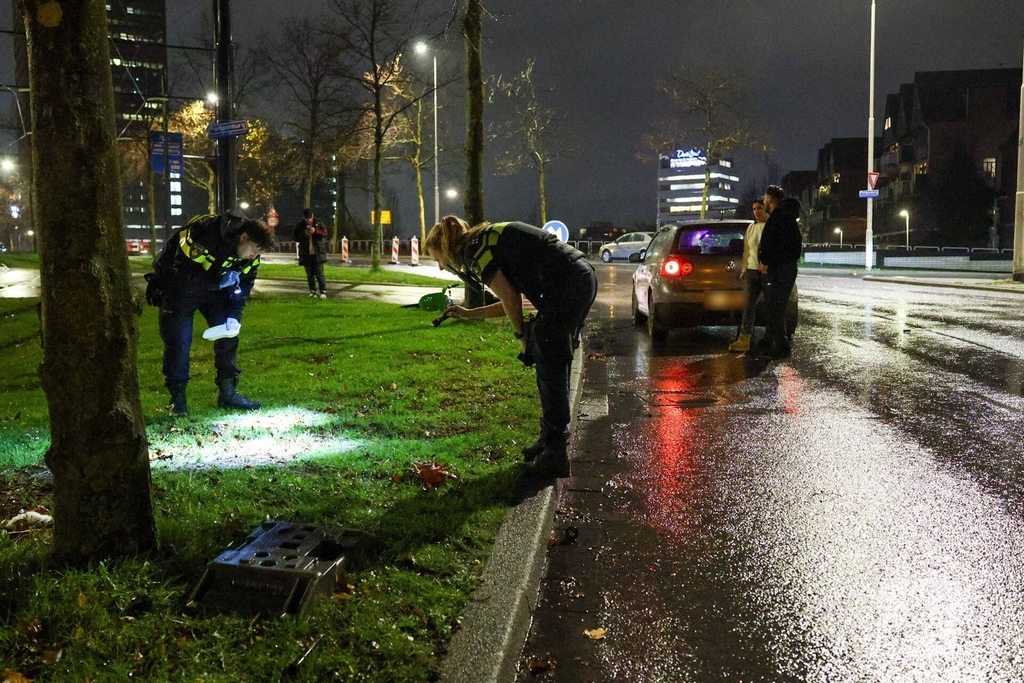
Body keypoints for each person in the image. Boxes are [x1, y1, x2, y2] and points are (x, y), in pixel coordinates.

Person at [425, 216, 598, 479]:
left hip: (568, 284)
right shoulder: (483, 241)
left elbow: (510, 298)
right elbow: (511, 300)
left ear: (446, 248)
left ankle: (555, 453)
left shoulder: (475, 252)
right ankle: (549, 440)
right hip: (580, 278)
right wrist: (469, 314)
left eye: (437, 258)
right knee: (554, 359)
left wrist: (522, 337)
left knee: (548, 362)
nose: (440, 267)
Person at [150, 210, 277, 416]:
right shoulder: (204, 234)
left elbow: (244, 287)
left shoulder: (251, 258)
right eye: (255, 249)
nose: (255, 255)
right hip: (178, 291)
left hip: (215, 291)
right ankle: (177, 399)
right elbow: (179, 277)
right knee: (179, 342)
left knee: (228, 336)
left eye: (260, 252)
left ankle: (228, 393)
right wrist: (217, 283)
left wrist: (233, 317)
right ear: (244, 237)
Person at [753, 185, 802, 359]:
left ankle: (778, 346)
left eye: (766, 198)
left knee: (775, 308)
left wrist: (766, 261)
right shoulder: (786, 217)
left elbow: (773, 244)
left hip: (780, 269)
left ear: (771, 199)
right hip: (784, 268)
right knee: (775, 308)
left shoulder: (779, 217)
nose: (764, 201)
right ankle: (772, 344)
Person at [728, 199, 769, 353]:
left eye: (759, 208)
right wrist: (744, 269)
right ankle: (744, 338)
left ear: (766, 209)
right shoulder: (751, 228)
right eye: (754, 209)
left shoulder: (771, 226)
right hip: (752, 271)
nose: (756, 211)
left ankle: (771, 338)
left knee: (771, 306)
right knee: (748, 306)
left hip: (767, 271)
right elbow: (747, 250)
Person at [293, 208, 329, 298]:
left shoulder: (318, 223)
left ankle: (322, 291)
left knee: (319, 273)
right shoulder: (300, 225)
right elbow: (295, 237)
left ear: (312, 216)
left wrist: (315, 231)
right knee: (309, 274)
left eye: (310, 218)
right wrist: (304, 234)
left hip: (318, 253)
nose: (309, 220)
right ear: (304, 218)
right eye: (307, 218)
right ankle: (312, 291)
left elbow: (325, 233)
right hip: (306, 254)